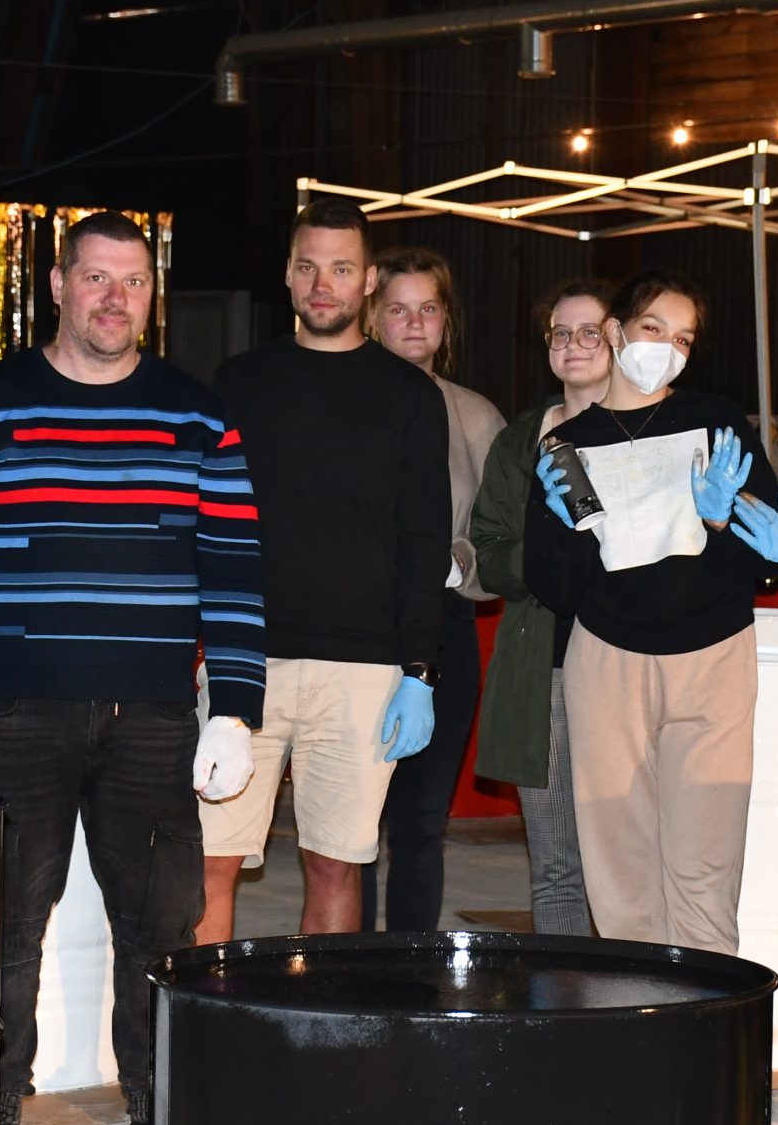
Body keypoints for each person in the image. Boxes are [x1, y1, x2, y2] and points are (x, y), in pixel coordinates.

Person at [0, 212, 263, 1125]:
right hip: (15, 715)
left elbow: (232, 570)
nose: (114, 298)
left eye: (133, 281)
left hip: (152, 721)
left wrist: (236, 706)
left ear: (152, 294)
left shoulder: (196, 416)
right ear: (58, 286)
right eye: (96, 278)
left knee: (162, 931)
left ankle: (157, 1122)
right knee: (1, 928)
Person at [526, 268, 778, 951]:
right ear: (617, 331)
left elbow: (764, 558)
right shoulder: (568, 445)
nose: (667, 348)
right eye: (653, 328)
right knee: (620, 871)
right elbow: (554, 589)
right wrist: (564, 526)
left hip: (712, 659)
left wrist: (719, 522)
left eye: (682, 338)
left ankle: (708, 1009)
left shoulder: (716, 421)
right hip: (607, 661)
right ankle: (640, 1008)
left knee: (705, 866)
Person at [198, 201, 451, 939]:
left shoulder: (410, 396)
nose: (322, 283)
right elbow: (205, 523)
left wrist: (419, 670)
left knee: (336, 865)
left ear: (367, 280)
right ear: (287, 273)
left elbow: (424, 540)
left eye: (341, 268)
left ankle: (321, 1013)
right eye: (308, 266)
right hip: (246, 663)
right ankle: (200, 1010)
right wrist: (197, 643)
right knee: (209, 860)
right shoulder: (240, 381)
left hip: (364, 671)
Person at [360, 247, 505, 930]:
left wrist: (454, 562)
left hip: (443, 631)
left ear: (447, 319)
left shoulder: (475, 417)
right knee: (350, 828)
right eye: (398, 309)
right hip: (352, 628)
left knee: (420, 826)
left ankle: (410, 972)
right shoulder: (340, 402)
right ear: (372, 315)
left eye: (429, 308)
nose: (415, 323)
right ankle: (348, 971)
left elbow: (503, 537)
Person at [471, 277, 616, 935]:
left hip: (627, 665)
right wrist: (548, 546)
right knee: (556, 865)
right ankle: (564, 994)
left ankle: (627, 991)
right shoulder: (520, 441)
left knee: (626, 858)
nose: (574, 344)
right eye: (561, 333)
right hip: (544, 668)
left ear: (618, 340)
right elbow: (489, 552)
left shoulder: (646, 430)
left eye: (590, 332)